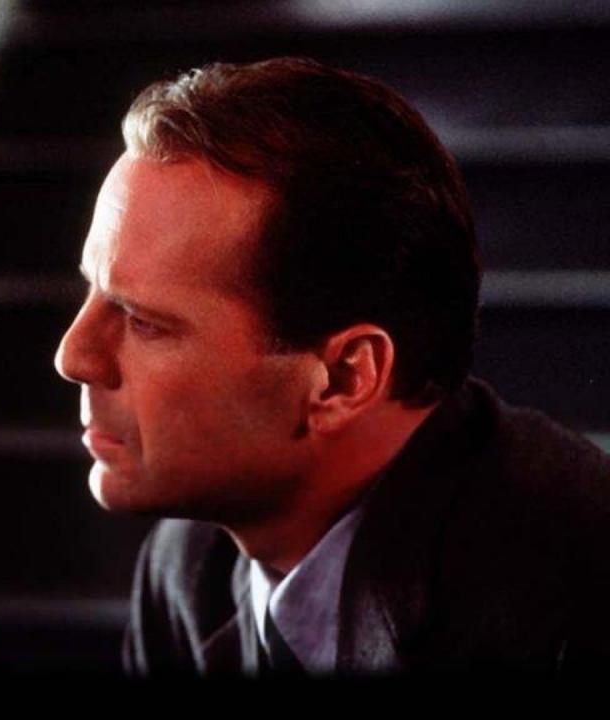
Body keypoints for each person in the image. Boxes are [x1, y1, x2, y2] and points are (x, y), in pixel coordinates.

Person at [53, 57, 610, 674]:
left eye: (143, 321)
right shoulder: (186, 567)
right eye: (92, 291)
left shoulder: (576, 599)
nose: (73, 356)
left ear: (345, 378)